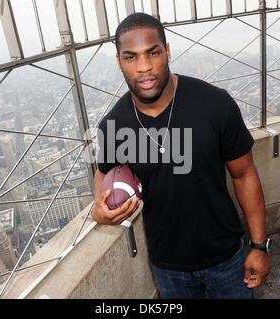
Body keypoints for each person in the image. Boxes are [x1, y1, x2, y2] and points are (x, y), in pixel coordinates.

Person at [91, 12, 270, 299]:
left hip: (226, 256)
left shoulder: (215, 104)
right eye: (131, 57)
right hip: (168, 267)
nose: (144, 67)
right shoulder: (113, 125)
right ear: (119, 61)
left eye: (153, 52)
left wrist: (259, 246)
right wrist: (97, 210)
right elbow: (103, 174)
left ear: (168, 51)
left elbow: (244, 173)